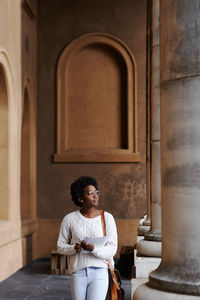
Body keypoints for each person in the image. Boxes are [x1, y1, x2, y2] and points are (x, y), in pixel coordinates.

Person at [57, 175, 118, 300]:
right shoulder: (69, 219)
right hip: (77, 272)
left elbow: (112, 249)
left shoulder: (107, 218)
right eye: (90, 193)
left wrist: (94, 249)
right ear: (80, 198)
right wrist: (75, 248)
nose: (95, 196)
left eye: (96, 192)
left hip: (100, 271)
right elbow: (60, 246)